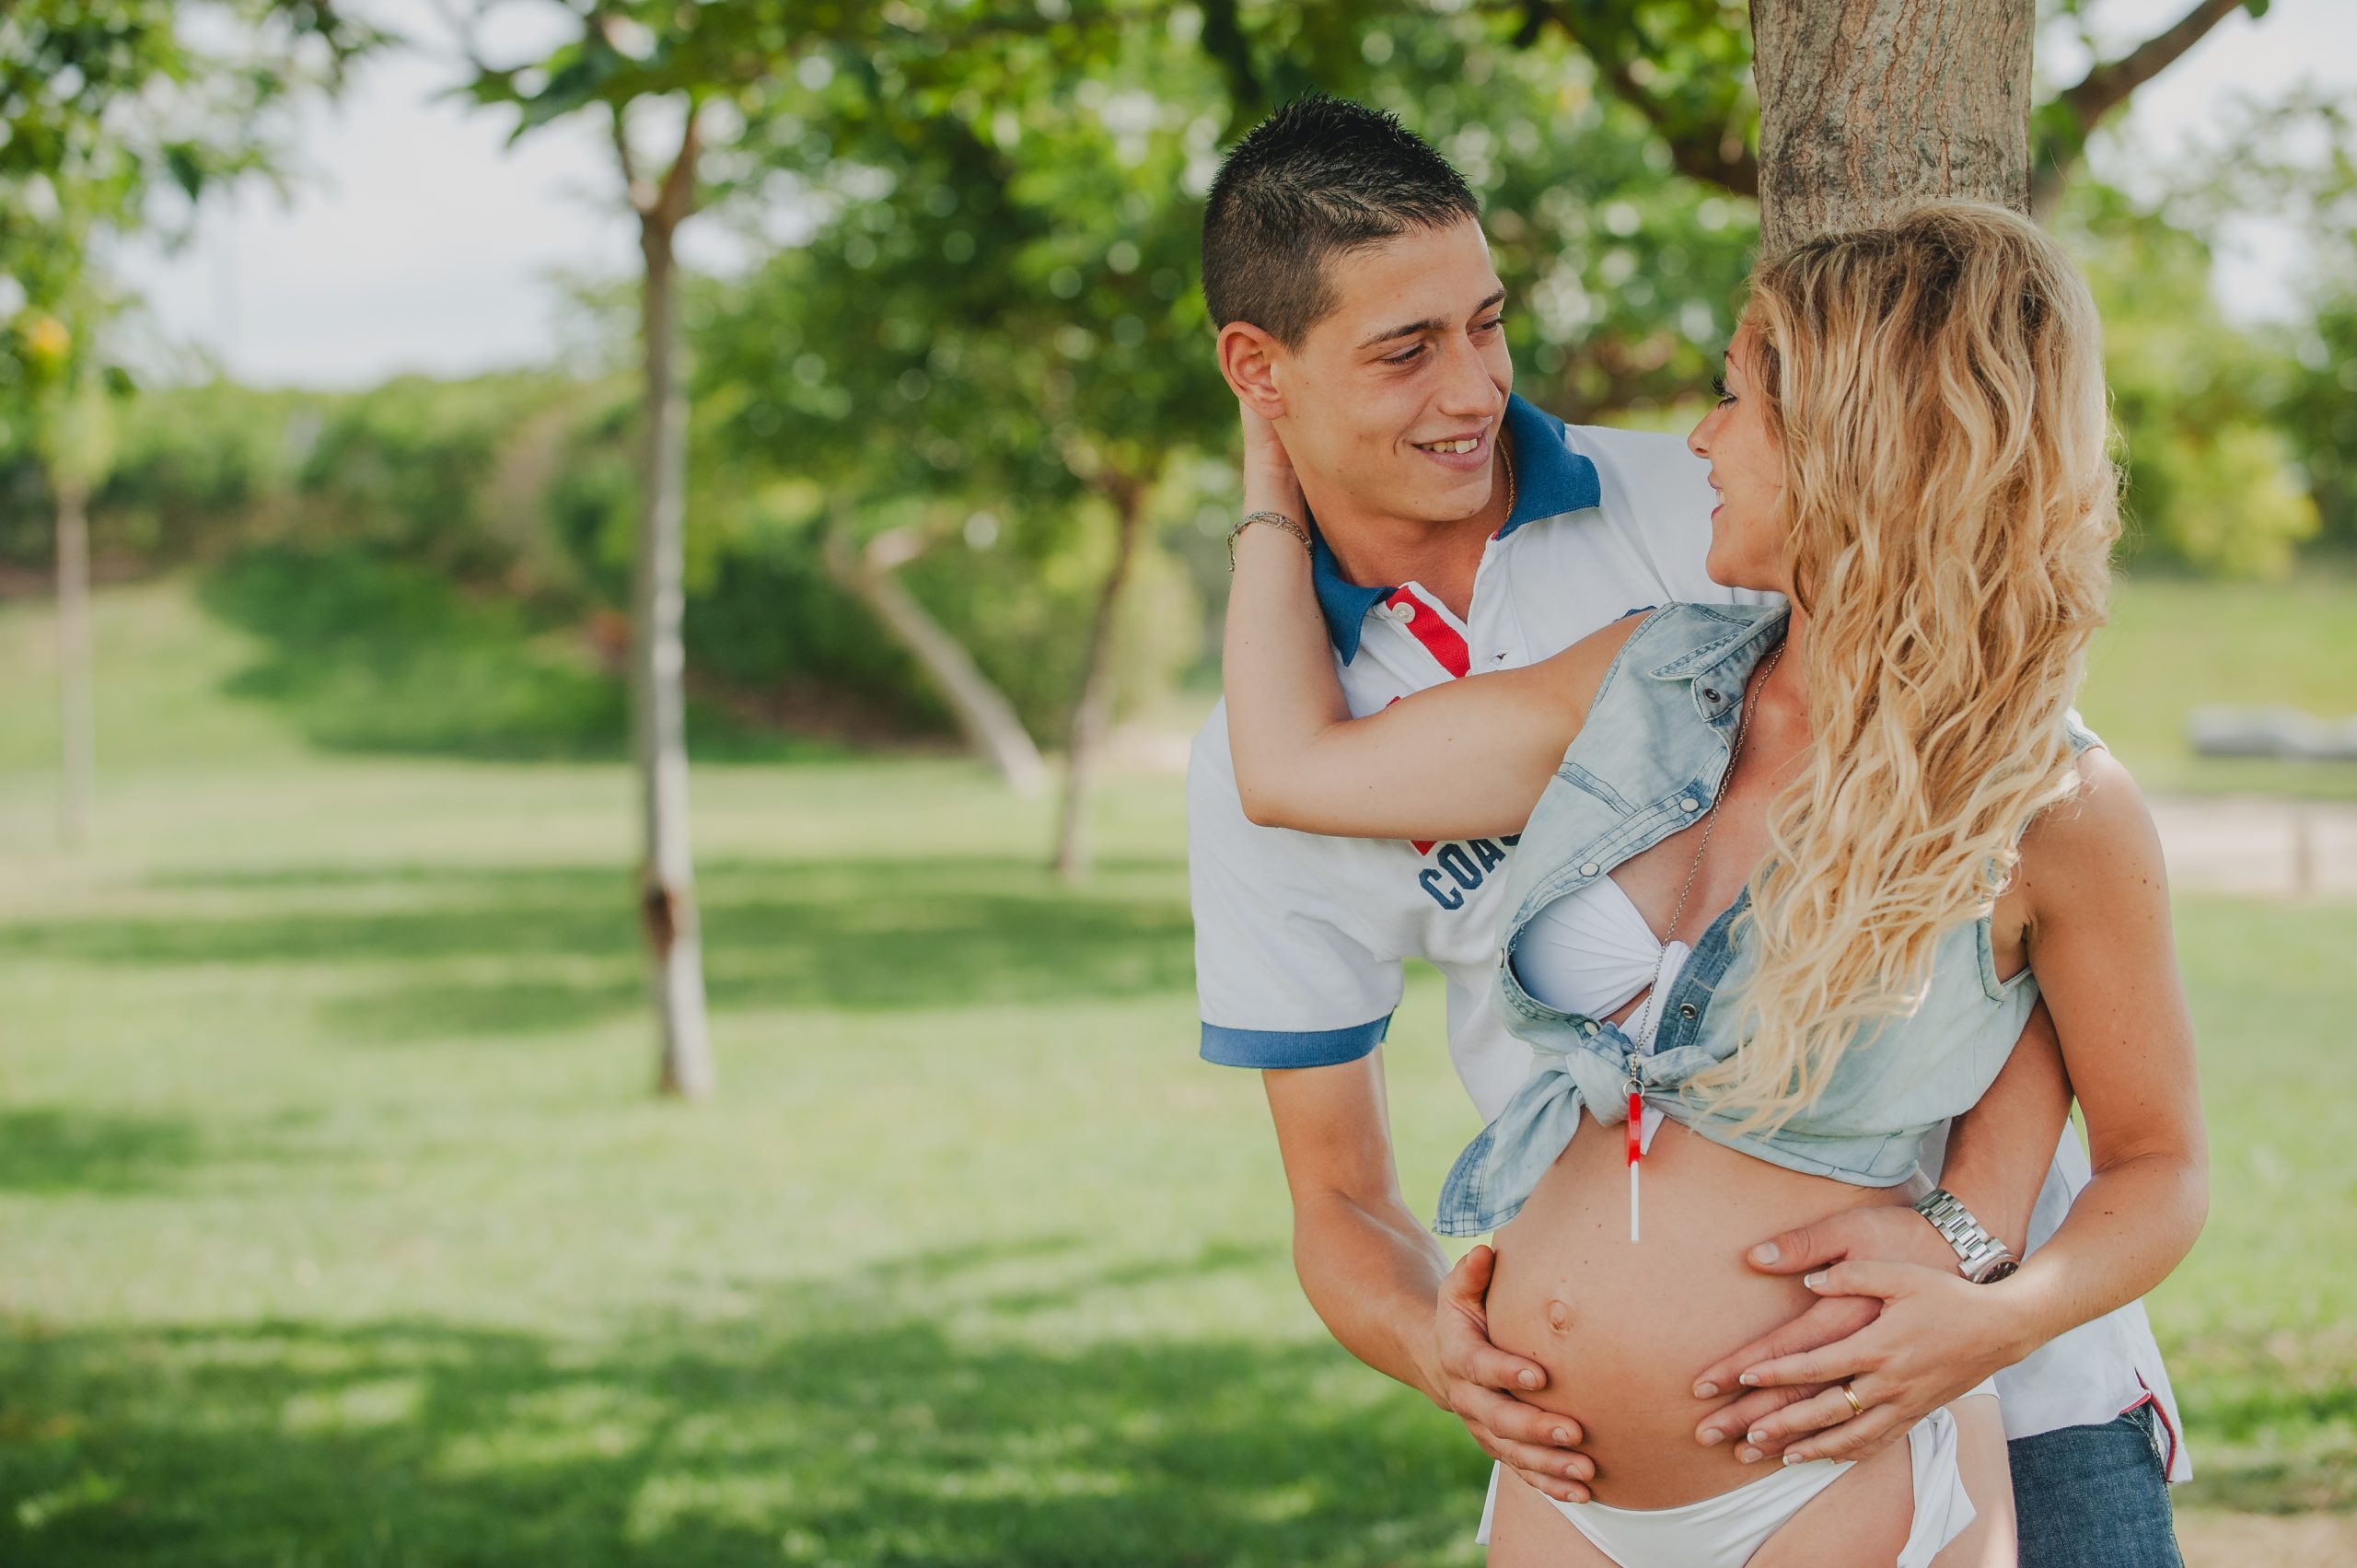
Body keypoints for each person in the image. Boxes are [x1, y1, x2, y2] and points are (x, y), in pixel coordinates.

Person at [1190, 96, 2204, 1564]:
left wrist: (1979, 1253)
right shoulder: (1661, 657)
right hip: (1574, 1478)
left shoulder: (1695, 518)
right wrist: (1265, 489)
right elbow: (1287, 785)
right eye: (1406, 350)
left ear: (1853, 450)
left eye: (1485, 323)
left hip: (1956, 1395)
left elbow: (2022, 895)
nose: (1474, 386)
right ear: (1261, 371)